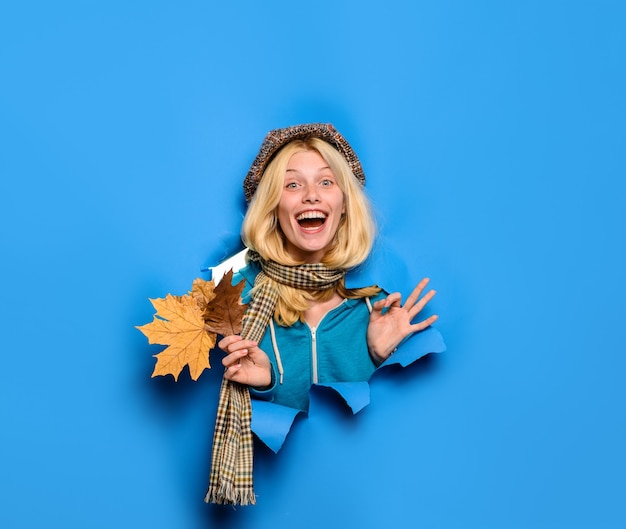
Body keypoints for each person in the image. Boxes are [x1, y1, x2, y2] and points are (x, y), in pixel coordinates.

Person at [219, 123, 438, 411]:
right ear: (272, 205)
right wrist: (263, 385)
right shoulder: (237, 300)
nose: (311, 195)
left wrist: (378, 359)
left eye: (326, 182)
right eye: (293, 184)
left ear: (344, 203)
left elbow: (396, 425)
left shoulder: (377, 304)